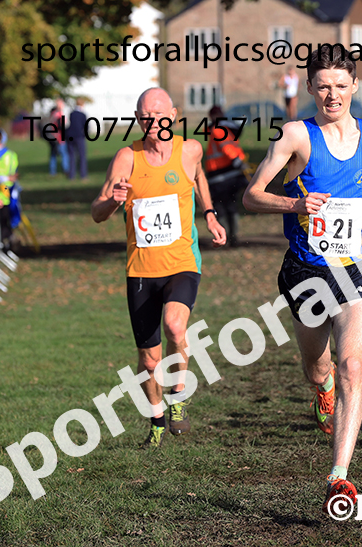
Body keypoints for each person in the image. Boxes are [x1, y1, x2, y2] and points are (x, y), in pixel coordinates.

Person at [242, 45, 362, 513]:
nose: (332, 95)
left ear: (355, 88)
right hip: (306, 273)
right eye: (323, 85)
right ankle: (320, 392)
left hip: (358, 268)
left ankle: (339, 476)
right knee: (319, 368)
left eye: (341, 86)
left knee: (352, 366)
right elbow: (252, 196)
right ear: (309, 87)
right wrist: (295, 204)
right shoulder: (295, 137)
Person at [90, 87, 227, 449]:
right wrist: (113, 202)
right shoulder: (126, 158)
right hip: (140, 270)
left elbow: (198, 176)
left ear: (174, 115)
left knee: (175, 326)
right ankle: (156, 419)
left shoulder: (190, 150)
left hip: (183, 261)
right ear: (138, 120)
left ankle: (178, 395)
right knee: (149, 361)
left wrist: (210, 214)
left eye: (159, 115)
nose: (153, 123)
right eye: (145, 117)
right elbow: (97, 212)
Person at [204, 105, 249, 246]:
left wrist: (237, 161)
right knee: (230, 206)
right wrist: (239, 163)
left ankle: (226, 238)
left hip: (220, 176)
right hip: (231, 174)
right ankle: (232, 237)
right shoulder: (227, 129)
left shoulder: (217, 129)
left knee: (222, 207)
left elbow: (226, 147)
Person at [67, 98, 88, 180]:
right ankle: (83, 174)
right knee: (82, 156)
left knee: (72, 155)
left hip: (70, 136)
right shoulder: (83, 115)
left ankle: (72, 175)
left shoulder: (71, 113)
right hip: (79, 136)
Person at [49, 100, 69, 176]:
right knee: (64, 154)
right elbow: (60, 126)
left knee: (53, 154)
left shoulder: (53, 114)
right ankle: (66, 170)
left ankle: (52, 171)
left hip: (53, 137)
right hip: (59, 137)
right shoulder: (58, 115)